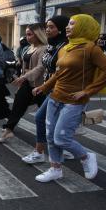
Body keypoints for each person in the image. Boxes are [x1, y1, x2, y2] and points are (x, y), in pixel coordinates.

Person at [32, 14, 106, 182]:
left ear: (83, 27)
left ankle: (86, 157)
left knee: (61, 138)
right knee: (50, 136)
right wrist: (44, 87)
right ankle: (55, 169)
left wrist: (88, 91)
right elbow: (59, 73)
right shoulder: (66, 47)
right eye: (68, 24)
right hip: (55, 97)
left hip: (74, 102)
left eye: (72, 24)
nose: (68, 27)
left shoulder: (90, 49)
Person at [21, 15, 76, 164]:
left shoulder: (64, 47)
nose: (48, 30)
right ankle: (62, 149)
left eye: (52, 27)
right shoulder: (52, 45)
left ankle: (42, 153)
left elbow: (61, 72)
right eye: (47, 27)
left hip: (58, 89)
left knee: (42, 118)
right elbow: (44, 67)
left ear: (60, 29)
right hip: (49, 88)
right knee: (51, 121)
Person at [0, 24, 48, 142]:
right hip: (27, 84)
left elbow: (40, 68)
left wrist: (24, 77)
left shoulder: (44, 48)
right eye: (26, 34)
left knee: (47, 115)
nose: (27, 37)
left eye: (30, 34)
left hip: (40, 86)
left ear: (38, 34)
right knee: (18, 106)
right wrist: (22, 77)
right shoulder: (29, 48)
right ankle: (8, 131)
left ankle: (59, 139)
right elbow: (25, 65)